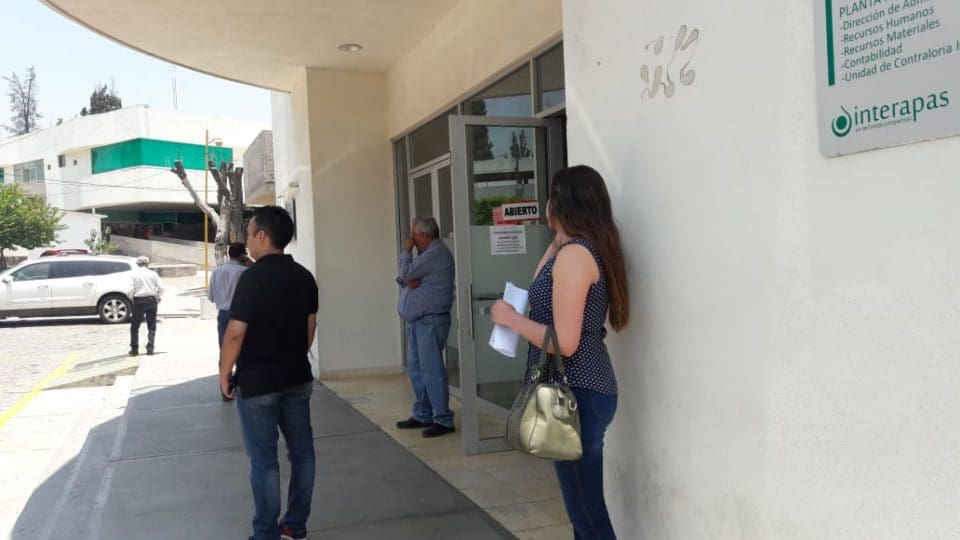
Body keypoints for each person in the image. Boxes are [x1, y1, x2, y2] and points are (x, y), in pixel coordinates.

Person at [490, 165, 630, 540]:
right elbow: (540, 279)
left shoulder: (575, 256)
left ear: (561, 203)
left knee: (588, 517)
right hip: (582, 391)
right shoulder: (575, 250)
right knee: (582, 514)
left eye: (550, 196)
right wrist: (558, 233)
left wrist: (510, 319)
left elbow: (564, 342)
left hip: (577, 394)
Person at [220, 206, 318, 540]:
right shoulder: (304, 277)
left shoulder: (252, 279)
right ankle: (295, 525)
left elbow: (235, 334)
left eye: (249, 234)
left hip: (258, 383)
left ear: (262, 236)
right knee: (302, 454)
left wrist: (224, 373)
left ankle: (265, 532)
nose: (247, 241)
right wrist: (292, 356)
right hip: (297, 377)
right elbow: (310, 328)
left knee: (263, 460)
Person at [395, 216, 456, 438]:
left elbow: (407, 273)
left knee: (431, 370)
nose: (411, 238)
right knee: (416, 368)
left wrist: (406, 253)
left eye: (413, 234)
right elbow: (405, 277)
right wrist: (406, 278)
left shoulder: (435, 253)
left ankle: (443, 419)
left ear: (423, 234)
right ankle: (423, 414)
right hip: (418, 320)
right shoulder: (426, 255)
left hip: (430, 321)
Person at [208, 242, 249, 348]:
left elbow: (211, 297)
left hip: (223, 313)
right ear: (242, 255)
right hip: (240, 314)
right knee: (241, 349)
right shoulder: (245, 271)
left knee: (225, 348)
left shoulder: (216, 271)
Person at [127, 255, 164, 356]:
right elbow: (162, 288)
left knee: (135, 326)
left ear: (137, 264)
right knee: (151, 325)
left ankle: (134, 349)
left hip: (139, 301)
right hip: (151, 300)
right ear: (147, 264)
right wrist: (157, 297)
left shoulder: (133, 274)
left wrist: (132, 299)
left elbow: (130, 291)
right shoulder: (153, 274)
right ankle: (150, 349)